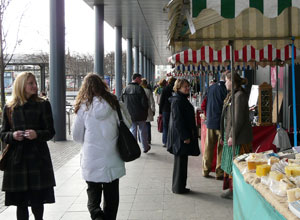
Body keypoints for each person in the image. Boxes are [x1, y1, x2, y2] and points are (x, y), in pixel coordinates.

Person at [72, 73, 131, 220]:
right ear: (102, 85)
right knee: (112, 198)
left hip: (92, 160)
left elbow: (76, 136)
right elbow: (128, 124)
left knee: (93, 197)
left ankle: (97, 217)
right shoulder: (115, 103)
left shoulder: (83, 108)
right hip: (113, 157)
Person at [0, 72, 56, 220]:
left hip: (38, 158)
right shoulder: (10, 107)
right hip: (17, 160)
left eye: (35, 83)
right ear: (21, 85)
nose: (35, 86)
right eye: (30, 83)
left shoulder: (43, 104)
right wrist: (12, 136)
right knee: (21, 203)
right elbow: (3, 133)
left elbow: (51, 132)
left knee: (38, 201)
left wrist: (36, 134)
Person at [220, 72, 253, 199]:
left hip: (238, 138)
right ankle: (232, 188)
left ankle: (237, 190)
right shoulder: (232, 95)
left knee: (238, 163)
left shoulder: (239, 96)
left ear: (232, 81)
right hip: (231, 134)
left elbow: (238, 119)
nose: (225, 83)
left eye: (227, 80)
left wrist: (232, 136)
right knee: (230, 162)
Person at [167, 79, 200, 194]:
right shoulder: (178, 100)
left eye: (188, 86)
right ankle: (178, 187)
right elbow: (178, 121)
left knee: (182, 162)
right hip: (180, 137)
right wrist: (185, 136)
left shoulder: (180, 99)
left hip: (180, 136)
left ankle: (180, 186)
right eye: (185, 86)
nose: (187, 88)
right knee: (180, 162)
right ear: (178, 87)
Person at [202, 71, 227, 180]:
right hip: (221, 123)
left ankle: (205, 170)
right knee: (221, 148)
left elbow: (205, 103)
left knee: (208, 148)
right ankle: (219, 172)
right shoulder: (226, 89)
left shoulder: (211, 88)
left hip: (210, 121)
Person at [121, 73, 150, 153]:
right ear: (136, 78)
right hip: (140, 114)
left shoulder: (125, 89)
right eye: (140, 79)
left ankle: (134, 148)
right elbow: (144, 103)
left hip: (130, 114)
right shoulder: (139, 89)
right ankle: (145, 147)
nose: (141, 81)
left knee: (133, 130)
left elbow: (122, 101)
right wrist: (145, 111)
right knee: (143, 131)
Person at [159, 77, 177, 147]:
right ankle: (172, 141)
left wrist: (160, 111)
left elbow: (162, 101)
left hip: (165, 110)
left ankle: (165, 141)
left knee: (165, 126)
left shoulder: (165, 89)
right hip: (174, 110)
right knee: (173, 126)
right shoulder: (176, 89)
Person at [140, 78, 155, 144]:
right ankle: (148, 139)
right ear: (146, 84)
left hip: (140, 110)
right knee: (148, 125)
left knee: (140, 126)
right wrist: (153, 110)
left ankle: (141, 139)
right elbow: (152, 102)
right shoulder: (148, 91)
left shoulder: (138, 90)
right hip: (147, 110)